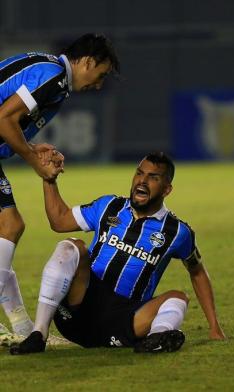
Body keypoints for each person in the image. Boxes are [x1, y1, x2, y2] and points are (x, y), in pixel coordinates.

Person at [10, 152, 225, 354]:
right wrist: (49, 180)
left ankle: (157, 338)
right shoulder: (109, 206)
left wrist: (214, 326)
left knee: (178, 298)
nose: (142, 181)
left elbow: (197, 272)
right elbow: (59, 220)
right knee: (72, 246)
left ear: (167, 189)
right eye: (139, 173)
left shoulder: (178, 232)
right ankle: (39, 333)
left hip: (124, 320)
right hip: (79, 308)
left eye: (152, 177)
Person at [0, 33, 120, 345]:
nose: (100, 83)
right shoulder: (53, 77)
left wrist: (31, 147)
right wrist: (31, 159)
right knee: (10, 225)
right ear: (88, 62)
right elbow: (4, 118)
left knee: (6, 229)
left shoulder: (50, 72)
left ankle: (24, 329)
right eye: (102, 74)